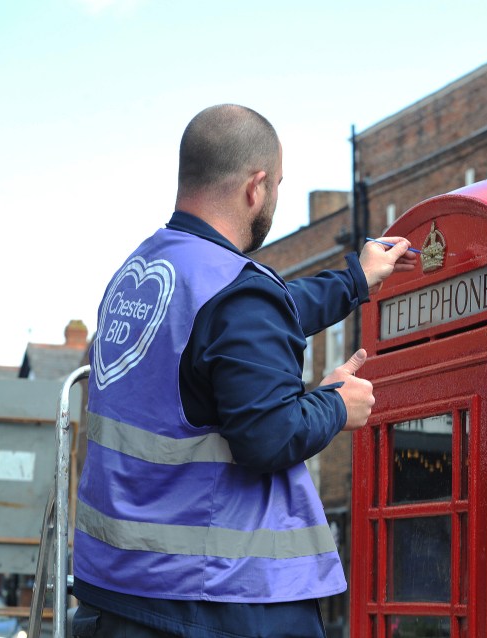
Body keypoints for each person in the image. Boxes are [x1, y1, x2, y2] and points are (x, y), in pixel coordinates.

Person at [71, 104, 416, 637]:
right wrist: (335, 405)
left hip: (118, 587)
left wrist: (355, 280)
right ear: (256, 187)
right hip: (220, 596)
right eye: (277, 185)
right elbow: (267, 437)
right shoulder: (234, 292)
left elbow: (246, 321)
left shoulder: (143, 271)